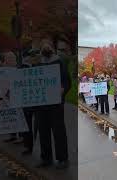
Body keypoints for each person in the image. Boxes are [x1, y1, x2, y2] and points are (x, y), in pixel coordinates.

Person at [35, 41, 71, 169]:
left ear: (52, 48)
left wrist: (63, 90)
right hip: (41, 104)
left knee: (58, 131)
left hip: (55, 104)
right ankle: (46, 158)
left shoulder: (59, 62)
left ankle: (62, 159)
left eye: (48, 46)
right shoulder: (38, 63)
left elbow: (67, 81)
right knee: (43, 131)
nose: (46, 48)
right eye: (43, 46)